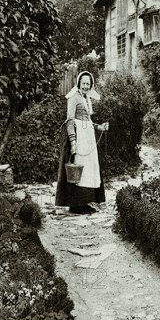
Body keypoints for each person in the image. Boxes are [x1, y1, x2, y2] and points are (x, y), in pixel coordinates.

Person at [55, 70, 108, 214]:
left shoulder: (86, 98)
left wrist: (100, 127)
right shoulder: (73, 98)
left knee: (88, 170)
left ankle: (84, 202)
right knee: (77, 169)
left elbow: (88, 121)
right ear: (78, 83)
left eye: (88, 84)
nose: (85, 86)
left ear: (91, 85)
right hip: (79, 137)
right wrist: (73, 142)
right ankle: (75, 205)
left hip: (88, 137)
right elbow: (70, 120)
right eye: (83, 83)